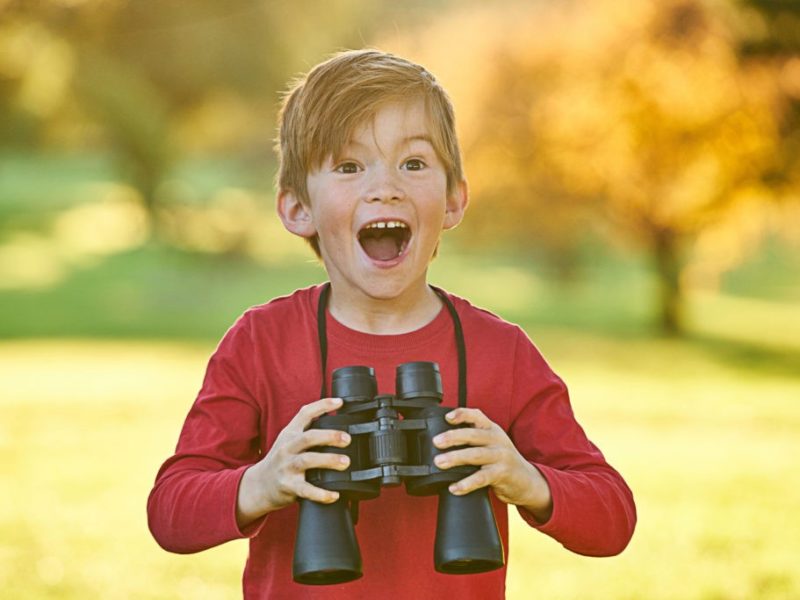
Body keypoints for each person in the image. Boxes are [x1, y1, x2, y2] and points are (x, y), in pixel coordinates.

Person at [147, 49, 636, 599]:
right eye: (350, 166)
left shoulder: (502, 351)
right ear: (296, 208)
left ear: (453, 200)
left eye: (414, 164)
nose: (386, 188)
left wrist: (527, 479)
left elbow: (613, 518)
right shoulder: (261, 343)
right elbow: (170, 512)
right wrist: (262, 483)